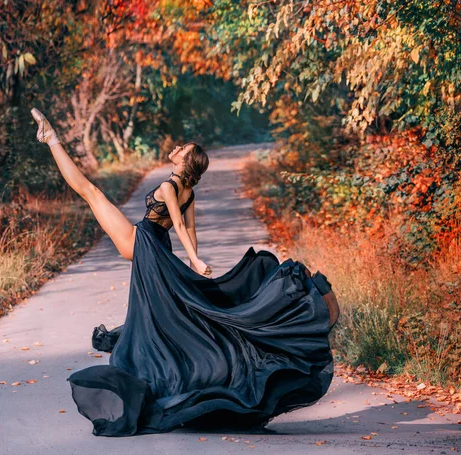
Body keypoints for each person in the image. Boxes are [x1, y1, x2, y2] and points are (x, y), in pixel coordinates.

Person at [30, 108, 340, 437]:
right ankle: (52, 139)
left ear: (185, 161)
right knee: (164, 317)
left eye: (183, 149)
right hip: (156, 248)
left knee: (91, 193)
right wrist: (195, 261)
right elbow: (189, 230)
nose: (176, 149)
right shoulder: (187, 191)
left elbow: (180, 225)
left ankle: (52, 140)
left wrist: (195, 259)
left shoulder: (168, 186)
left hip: (143, 243)